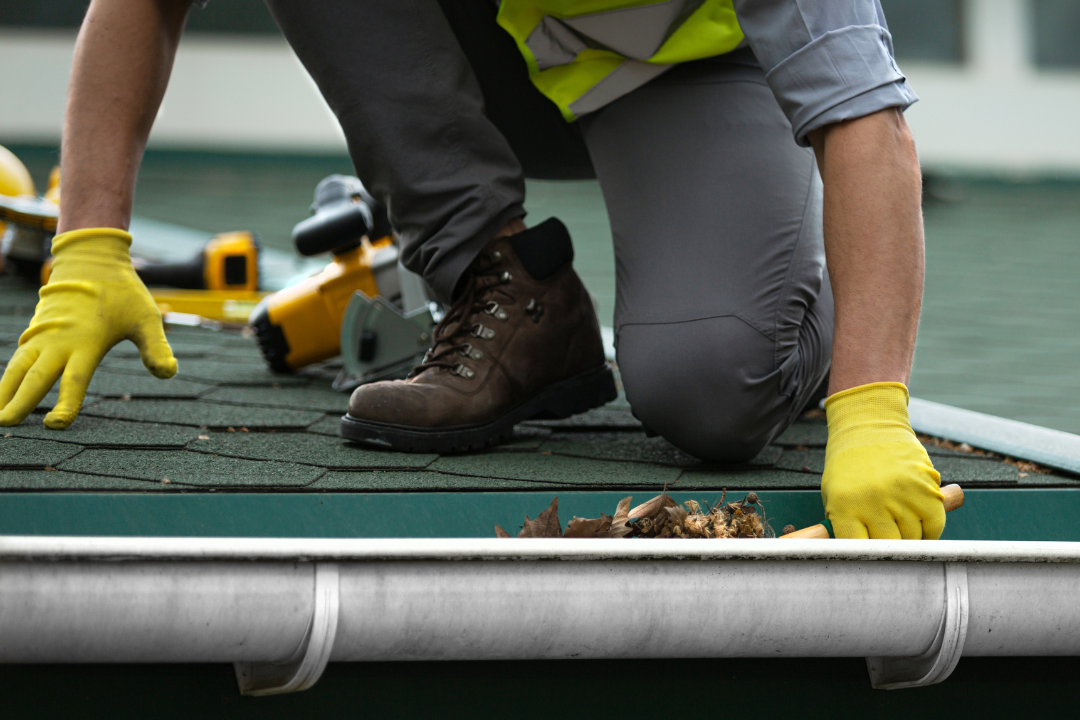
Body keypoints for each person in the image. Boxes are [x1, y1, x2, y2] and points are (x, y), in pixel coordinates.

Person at [0, 0, 945, 540]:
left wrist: (870, 404)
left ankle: (801, 320)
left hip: (685, 75)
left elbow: (869, 126)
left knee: (712, 395)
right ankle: (499, 279)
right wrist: (89, 244)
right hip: (490, 45)